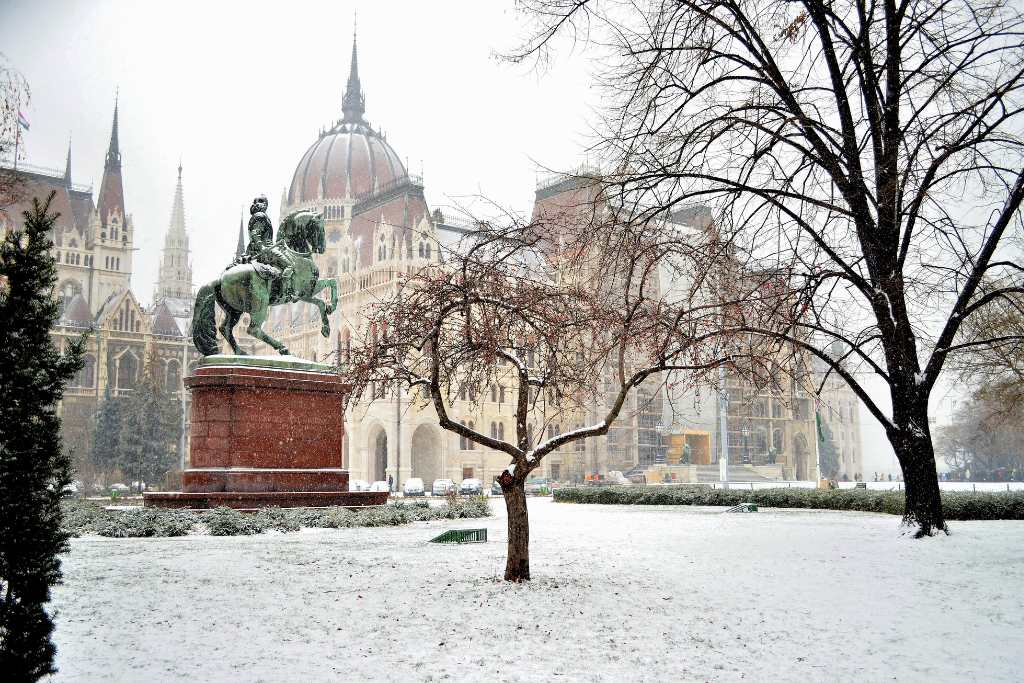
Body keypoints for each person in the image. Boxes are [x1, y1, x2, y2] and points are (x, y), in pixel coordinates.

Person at [230, 195, 298, 302]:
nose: (265, 205)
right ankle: (287, 293)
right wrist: (262, 247)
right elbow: (255, 234)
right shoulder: (261, 216)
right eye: (264, 203)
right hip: (267, 249)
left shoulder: (258, 216)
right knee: (290, 264)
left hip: (259, 248)